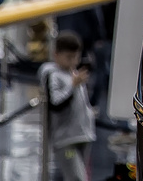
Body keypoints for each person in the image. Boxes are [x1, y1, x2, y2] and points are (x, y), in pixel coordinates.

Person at [39, 31, 95, 181]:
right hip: (66, 141)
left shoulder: (74, 73)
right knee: (76, 177)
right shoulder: (53, 75)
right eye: (69, 57)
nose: (73, 62)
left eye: (76, 57)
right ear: (56, 55)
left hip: (83, 134)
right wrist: (72, 86)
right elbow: (56, 104)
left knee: (80, 174)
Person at [91, 0, 120, 109]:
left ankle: (96, 101)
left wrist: (100, 37)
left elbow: (102, 18)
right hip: (114, 37)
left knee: (101, 69)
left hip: (106, 38)